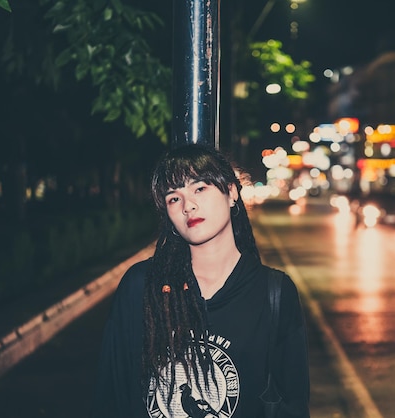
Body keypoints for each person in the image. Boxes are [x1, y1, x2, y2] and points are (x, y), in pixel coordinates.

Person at [90, 143, 310, 418]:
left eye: (199, 188)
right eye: (173, 198)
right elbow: (111, 397)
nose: (188, 205)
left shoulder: (273, 292)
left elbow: (293, 405)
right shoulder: (141, 286)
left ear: (231, 192)